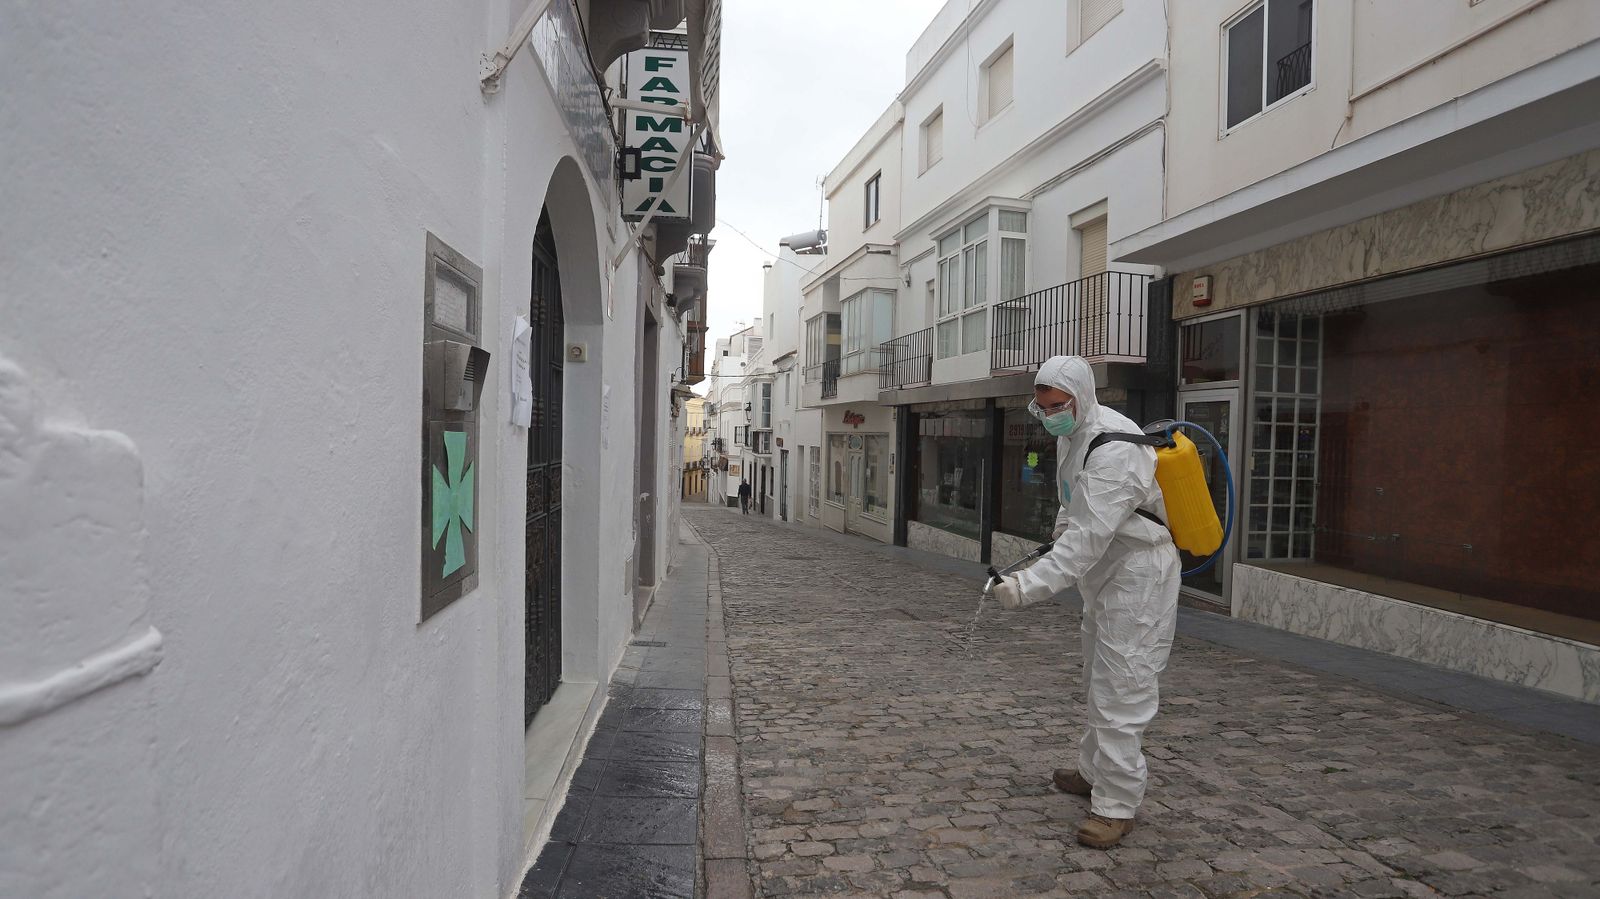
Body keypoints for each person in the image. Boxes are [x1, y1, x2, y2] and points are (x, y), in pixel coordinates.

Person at [990, 355, 1180, 850]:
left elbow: (1087, 539)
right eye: (1042, 405)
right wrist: (1054, 538)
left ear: (1083, 396)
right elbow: (1071, 505)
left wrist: (1027, 586)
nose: (1049, 413)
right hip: (1106, 574)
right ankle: (1093, 771)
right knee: (1098, 675)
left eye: (1056, 405)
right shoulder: (1073, 435)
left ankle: (1117, 806)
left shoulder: (1115, 448)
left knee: (1123, 686)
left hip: (1138, 575)